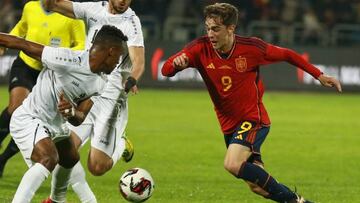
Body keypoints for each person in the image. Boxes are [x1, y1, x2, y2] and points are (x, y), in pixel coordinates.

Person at [161, 3, 342, 203]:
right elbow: (166, 69)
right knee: (258, 186)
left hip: (253, 119)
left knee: (232, 163)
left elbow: (287, 55)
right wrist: (177, 65)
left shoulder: (251, 48)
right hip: (228, 126)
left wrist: (319, 75)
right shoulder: (199, 48)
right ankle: (298, 201)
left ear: (231, 28)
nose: (210, 34)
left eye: (216, 29)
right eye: (208, 28)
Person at [0, 25, 127, 203]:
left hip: (55, 126)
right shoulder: (68, 59)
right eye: (118, 57)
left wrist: (71, 112)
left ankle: (56, 200)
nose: (118, 63)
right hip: (30, 118)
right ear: (111, 52)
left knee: (70, 157)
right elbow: (23, 44)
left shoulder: (101, 83)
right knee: (48, 158)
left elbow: (80, 117)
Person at [42, 0, 145, 202]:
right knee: (63, 151)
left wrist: (132, 78)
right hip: (87, 94)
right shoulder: (92, 9)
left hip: (112, 102)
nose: (124, 1)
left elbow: (139, 60)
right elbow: (52, 5)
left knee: (97, 167)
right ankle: (55, 199)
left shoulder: (131, 22)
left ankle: (122, 145)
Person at [0, 0, 86, 178]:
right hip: (26, 65)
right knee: (15, 108)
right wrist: (4, 43)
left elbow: (81, 45)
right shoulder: (30, 7)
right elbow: (21, 29)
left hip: (52, 74)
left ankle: (3, 159)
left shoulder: (72, 16)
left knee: (34, 118)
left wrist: (58, 56)